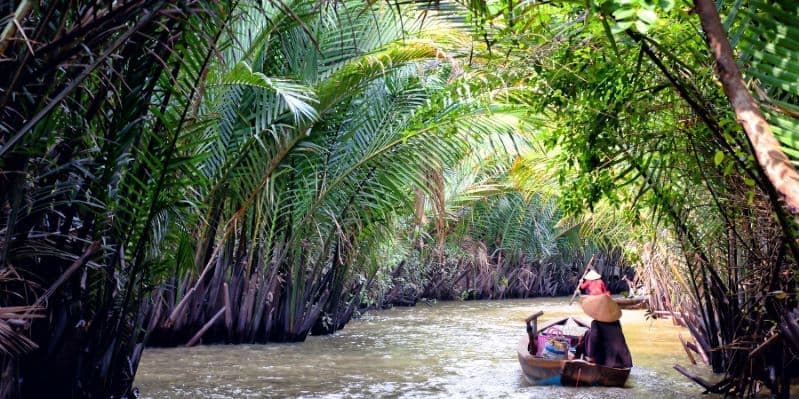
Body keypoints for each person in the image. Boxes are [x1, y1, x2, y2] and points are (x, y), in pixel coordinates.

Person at [574, 294, 632, 369]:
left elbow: (594, 339)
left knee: (587, 334)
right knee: (587, 333)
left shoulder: (595, 323)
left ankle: (578, 357)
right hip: (623, 360)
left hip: (604, 361)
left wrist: (591, 357)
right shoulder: (616, 322)